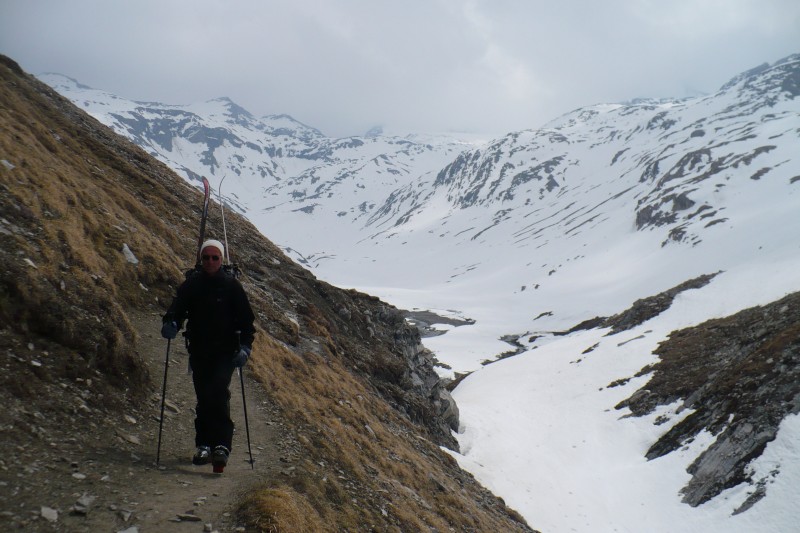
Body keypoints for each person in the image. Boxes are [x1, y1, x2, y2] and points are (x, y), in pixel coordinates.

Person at [160, 239, 255, 473]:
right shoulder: (192, 285)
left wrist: (245, 348)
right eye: (206, 257)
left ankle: (220, 445)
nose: (210, 261)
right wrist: (171, 323)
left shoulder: (232, 287)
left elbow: (246, 322)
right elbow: (176, 310)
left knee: (218, 391)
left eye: (215, 257)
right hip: (199, 350)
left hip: (226, 352)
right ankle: (204, 444)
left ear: (221, 260)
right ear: (201, 259)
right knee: (204, 396)